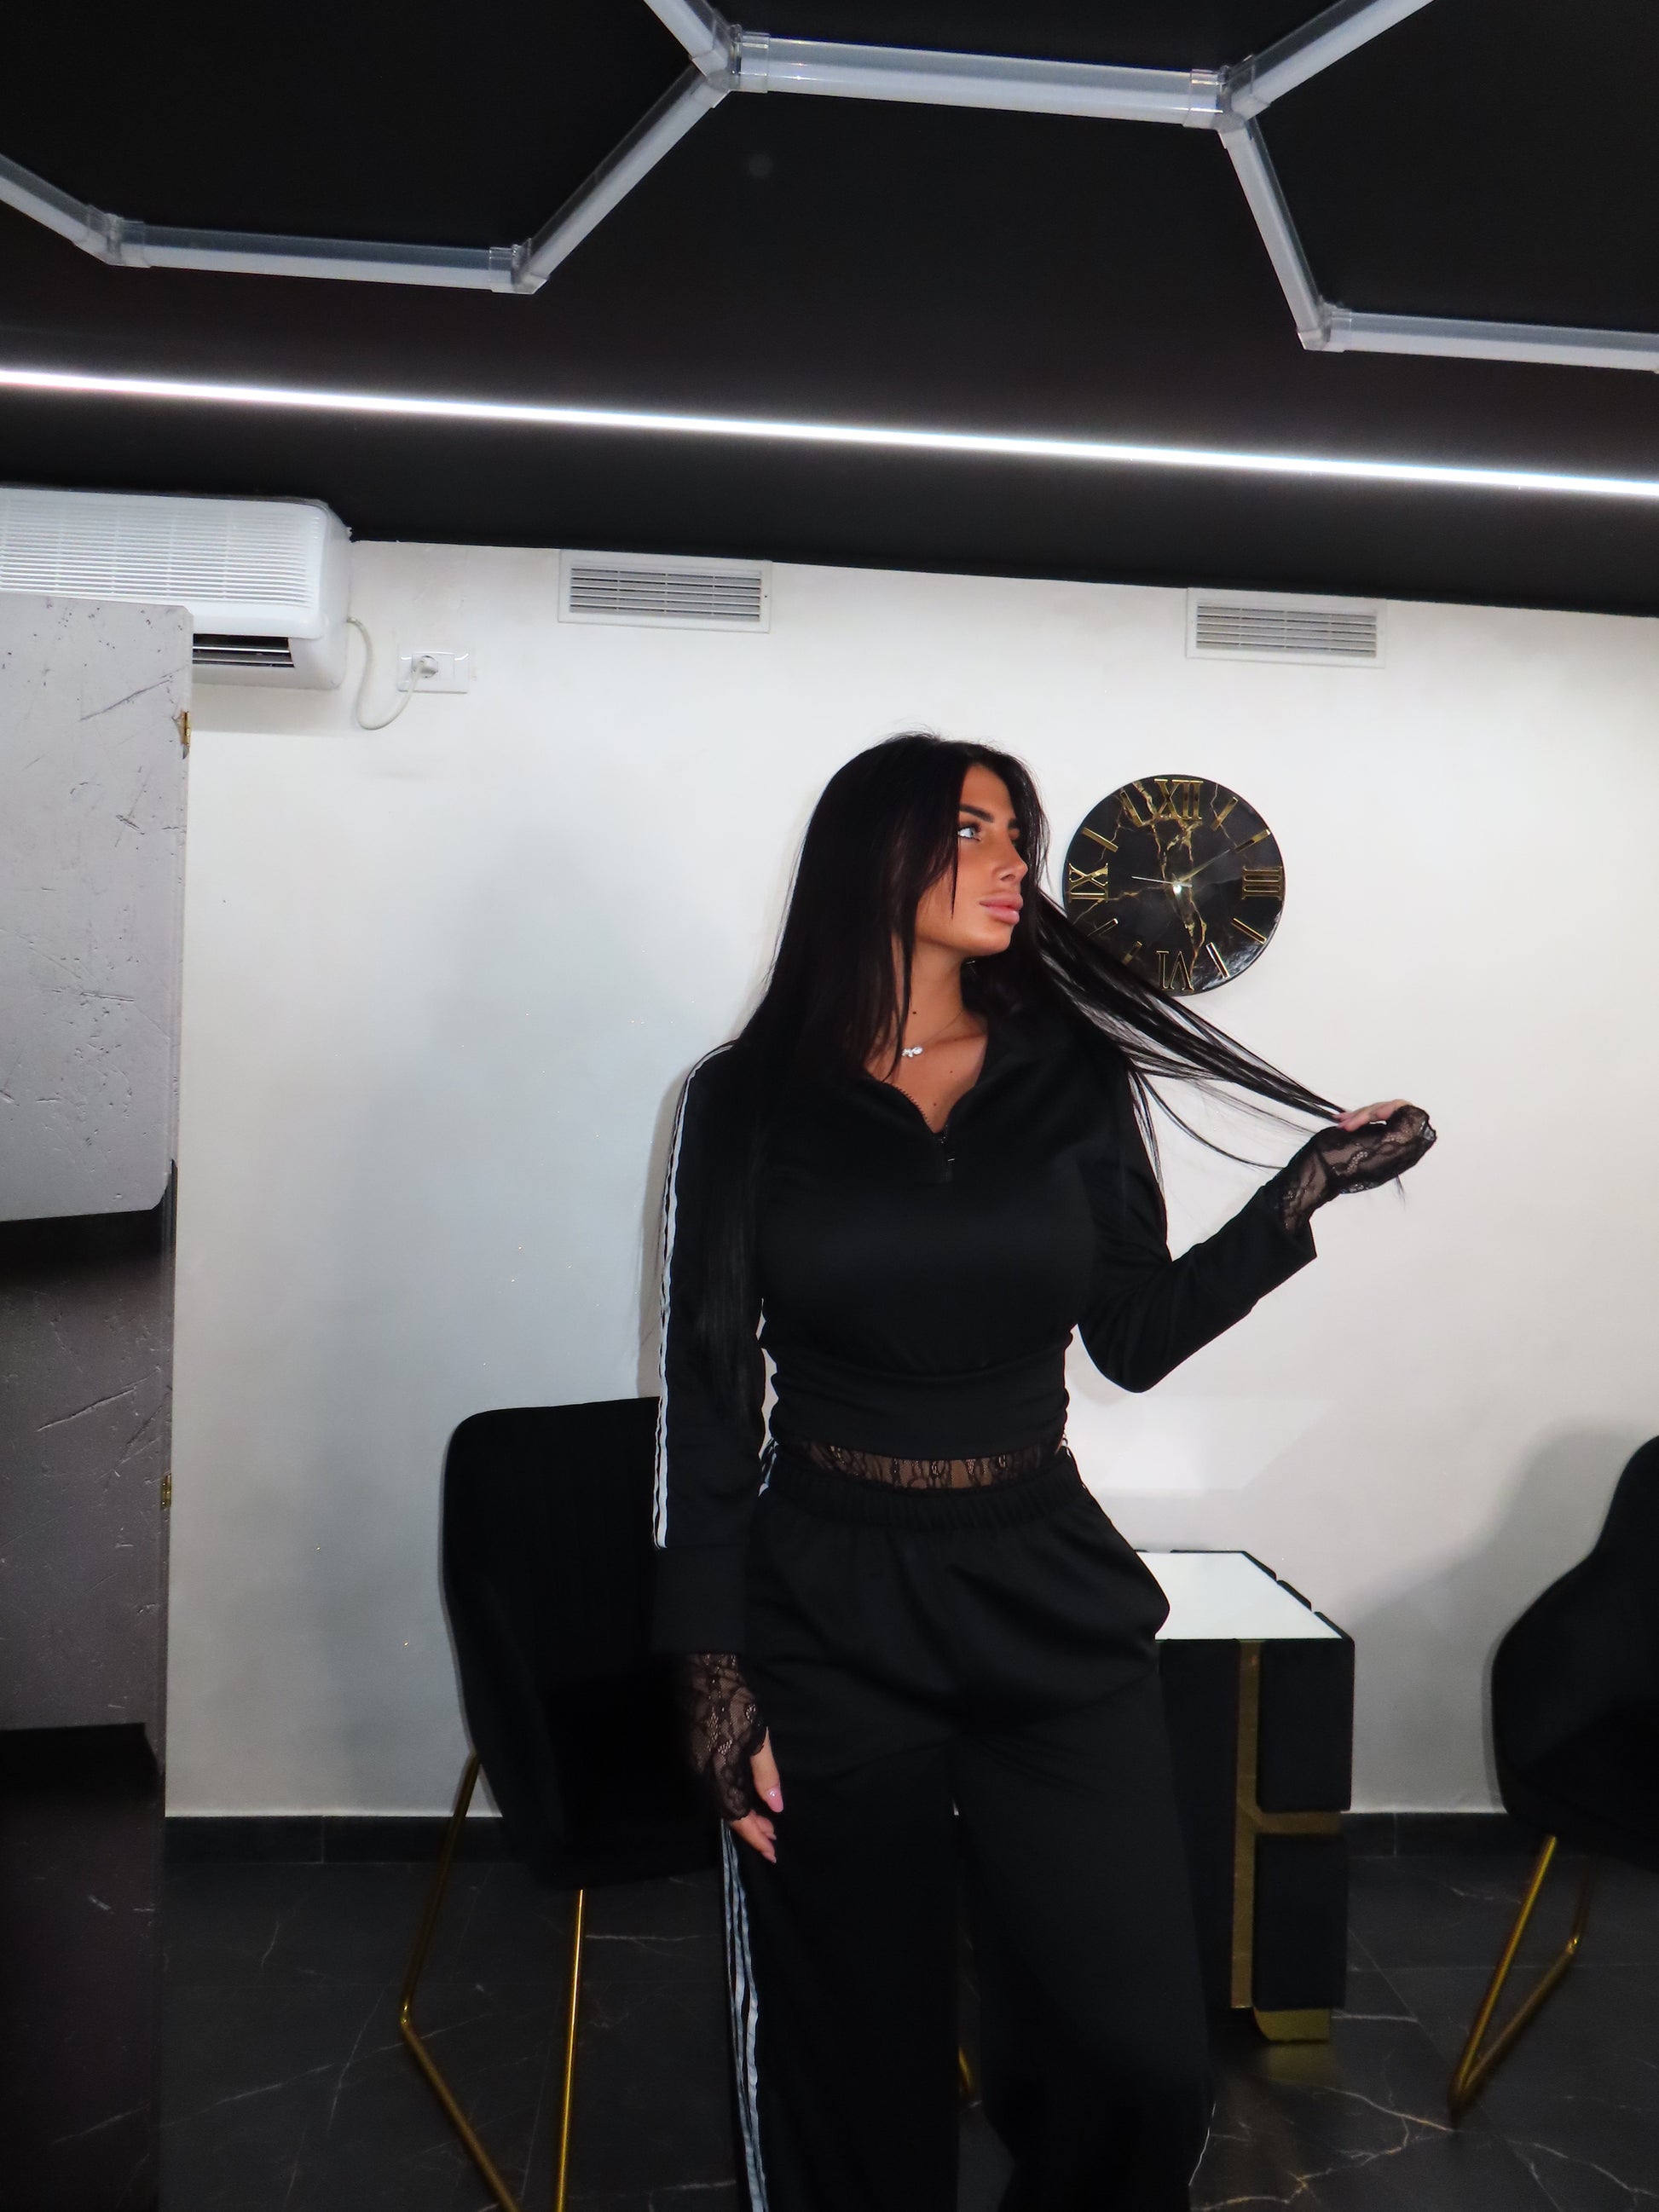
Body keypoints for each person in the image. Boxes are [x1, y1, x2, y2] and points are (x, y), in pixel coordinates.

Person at [651, 734, 1434, 2212]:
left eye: (1018, 830)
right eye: (974, 829)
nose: (1017, 861)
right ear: (869, 853)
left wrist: (1300, 1194)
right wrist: (707, 1666)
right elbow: (704, 1394)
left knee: (1136, 2058)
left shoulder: (1072, 1078)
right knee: (852, 2061)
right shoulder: (742, 1102)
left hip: (1041, 1589)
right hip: (825, 1609)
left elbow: (1130, 1339)